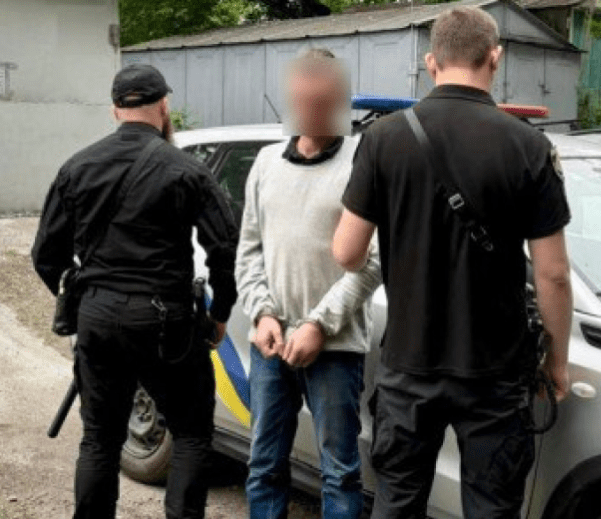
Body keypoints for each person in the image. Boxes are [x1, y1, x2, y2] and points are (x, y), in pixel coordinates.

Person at [333, 7, 573, 519]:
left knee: (397, 503)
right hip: (496, 374)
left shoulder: (383, 138)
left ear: (431, 62)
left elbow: (347, 254)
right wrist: (556, 362)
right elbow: (553, 274)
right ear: (495, 58)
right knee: (492, 508)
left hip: (409, 367)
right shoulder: (530, 146)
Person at [31, 64, 238, 519]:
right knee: (190, 433)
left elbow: (46, 254)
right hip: (167, 323)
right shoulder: (187, 170)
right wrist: (220, 313)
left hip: (99, 317)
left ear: (114, 110)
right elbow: (224, 249)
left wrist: (82, 299)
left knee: (100, 439)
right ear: (164, 106)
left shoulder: (77, 167)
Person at [236, 48, 381, 519]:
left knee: (339, 473)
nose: (312, 110)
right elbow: (249, 249)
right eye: (303, 99)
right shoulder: (265, 162)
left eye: (322, 100)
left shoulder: (364, 161)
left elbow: (373, 261)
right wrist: (262, 314)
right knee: (264, 467)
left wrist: (318, 324)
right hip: (271, 345)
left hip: (335, 348)